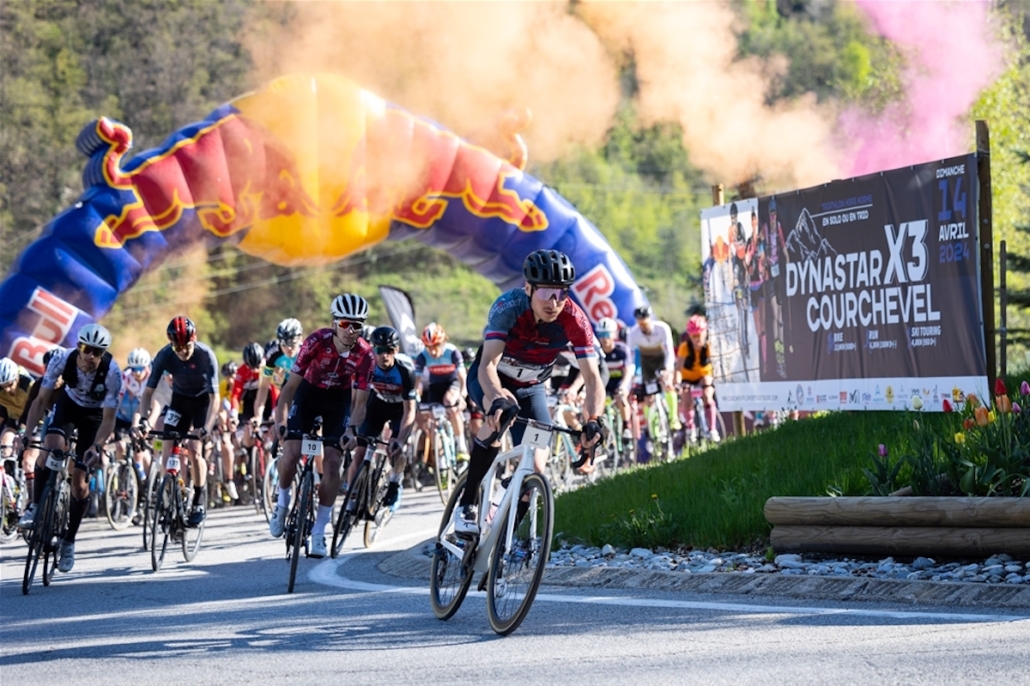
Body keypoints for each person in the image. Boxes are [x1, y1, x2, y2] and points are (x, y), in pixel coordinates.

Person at [454, 249, 606, 535]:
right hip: (493, 379)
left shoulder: (575, 319)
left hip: (532, 387)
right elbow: (487, 364)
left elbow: (592, 376)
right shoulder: (509, 307)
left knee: (535, 468)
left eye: (561, 293)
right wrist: (497, 397)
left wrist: (594, 418)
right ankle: (468, 502)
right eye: (546, 292)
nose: (554, 302)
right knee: (498, 419)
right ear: (528, 288)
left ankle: (501, 540)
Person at [268, 293, 375, 559]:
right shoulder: (316, 341)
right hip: (307, 394)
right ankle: (282, 504)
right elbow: (289, 388)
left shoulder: (366, 355)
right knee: (291, 453)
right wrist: (280, 422)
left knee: (332, 462)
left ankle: (319, 531)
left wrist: (351, 430)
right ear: (334, 322)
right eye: (345, 324)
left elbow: (360, 403)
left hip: (337, 402)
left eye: (357, 325)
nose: (351, 331)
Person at [18, 324, 122, 573]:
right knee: (51, 447)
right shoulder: (61, 360)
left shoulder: (112, 373)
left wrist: (97, 446)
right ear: (79, 347)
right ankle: (35, 506)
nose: (91, 356)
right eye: (87, 349)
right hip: (69, 405)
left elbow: (109, 420)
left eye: (97, 352)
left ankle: (69, 540)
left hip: (94, 417)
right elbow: (40, 400)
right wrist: (28, 433)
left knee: (79, 483)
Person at [136, 316, 220, 527]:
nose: (182, 352)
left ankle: (199, 501)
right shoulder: (164, 356)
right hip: (180, 401)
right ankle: (169, 501)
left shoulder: (206, 356)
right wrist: (144, 421)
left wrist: (207, 428)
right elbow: (148, 394)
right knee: (167, 446)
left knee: (194, 447)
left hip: (202, 402)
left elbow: (214, 398)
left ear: (195, 339)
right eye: (177, 348)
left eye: (187, 346)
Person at [345, 326, 417, 510]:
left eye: (389, 350)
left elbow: (410, 411)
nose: (384, 355)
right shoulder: (365, 366)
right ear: (372, 349)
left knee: (395, 448)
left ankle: (395, 481)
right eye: (379, 350)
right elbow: (356, 401)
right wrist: (352, 427)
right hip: (377, 404)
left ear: (396, 350)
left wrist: (400, 440)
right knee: (360, 452)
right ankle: (351, 497)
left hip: (400, 409)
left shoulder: (405, 370)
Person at [413, 322, 469, 462]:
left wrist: (462, 396)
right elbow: (417, 381)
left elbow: (463, 377)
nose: (432, 351)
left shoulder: (452, 352)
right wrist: (414, 399)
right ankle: (440, 460)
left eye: (436, 346)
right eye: (428, 347)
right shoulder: (423, 356)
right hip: (435, 386)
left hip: (452, 383)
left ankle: (461, 447)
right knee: (433, 420)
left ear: (443, 342)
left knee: (450, 402)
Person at [626, 304, 680, 433]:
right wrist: (632, 376)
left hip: (661, 359)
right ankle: (653, 431)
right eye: (640, 325)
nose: (643, 327)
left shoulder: (662, 328)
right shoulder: (633, 333)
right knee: (648, 397)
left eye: (645, 324)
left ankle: (674, 419)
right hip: (646, 363)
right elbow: (631, 357)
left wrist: (668, 370)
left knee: (667, 385)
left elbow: (669, 352)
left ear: (651, 319)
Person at [677, 314, 719, 443]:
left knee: (707, 391)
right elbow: (678, 369)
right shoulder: (684, 348)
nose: (696, 339)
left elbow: (716, 365)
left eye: (699, 335)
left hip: (703, 376)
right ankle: (691, 429)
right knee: (685, 396)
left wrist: (715, 380)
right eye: (693, 336)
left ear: (705, 333)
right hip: (688, 378)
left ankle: (712, 429)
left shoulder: (710, 346)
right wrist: (677, 384)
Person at [113, 348, 153, 485]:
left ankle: (145, 480)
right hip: (126, 417)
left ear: (146, 367)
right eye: (134, 368)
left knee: (141, 452)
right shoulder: (126, 376)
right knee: (120, 446)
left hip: (146, 413)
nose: (137, 372)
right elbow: (117, 398)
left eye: (140, 368)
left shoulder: (152, 378)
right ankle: (121, 472)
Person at [252, 318, 303, 424]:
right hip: (289, 384)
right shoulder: (273, 355)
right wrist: (258, 416)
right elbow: (264, 387)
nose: (289, 348)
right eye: (284, 344)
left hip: (308, 383)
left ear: (300, 339)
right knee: (280, 421)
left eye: (292, 344)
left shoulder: (307, 352)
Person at [594, 318, 634, 445]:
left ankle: (626, 427)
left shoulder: (622, 350)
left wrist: (623, 386)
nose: (604, 338)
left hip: (620, 381)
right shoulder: (597, 351)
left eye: (607, 334)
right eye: (601, 335)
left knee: (621, 396)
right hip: (605, 383)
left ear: (614, 334)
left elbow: (628, 371)